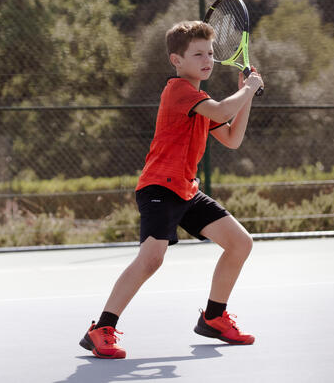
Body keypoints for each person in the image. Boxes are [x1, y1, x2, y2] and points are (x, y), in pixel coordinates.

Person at [79, 21, 264, 358]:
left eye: (210, 53)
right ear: (177, 60)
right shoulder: (179, 91)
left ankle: (214, 317)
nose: (207, 59)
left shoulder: (202, 99)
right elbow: (225, 110)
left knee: (239, 243)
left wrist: (245, 94)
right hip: (158, 188)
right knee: (151, 260)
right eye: (197, 54)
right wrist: (249, 88)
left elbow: (233, 138)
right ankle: (101, 328)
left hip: (186, 190)